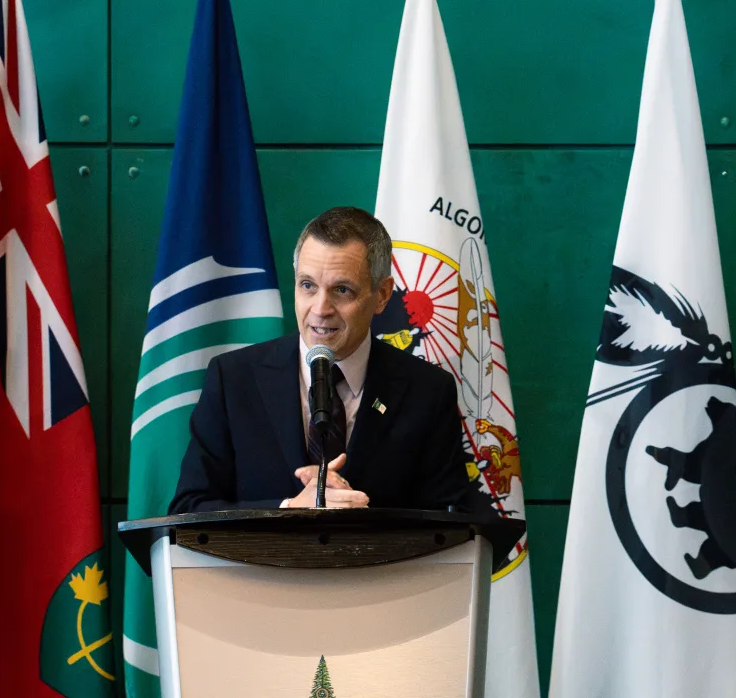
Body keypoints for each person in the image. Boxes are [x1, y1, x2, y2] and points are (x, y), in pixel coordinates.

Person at [170, 207, 495, 514]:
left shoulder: (427, 390)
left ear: (381, 296)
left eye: (341, 290)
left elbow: (453, 523)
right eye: (308, 286)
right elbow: (189, 509)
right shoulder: (233, 379)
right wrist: (289, 509)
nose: (320, 308)